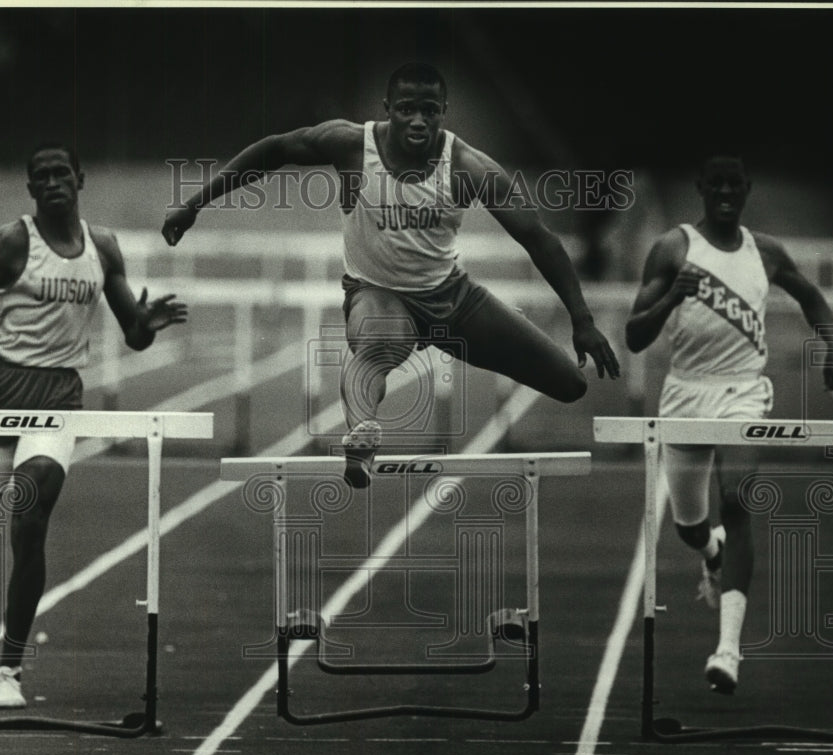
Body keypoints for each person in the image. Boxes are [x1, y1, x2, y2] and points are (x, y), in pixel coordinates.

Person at [162, 62, 620, 488]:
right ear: (387, 110)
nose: (417, 121)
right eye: (406, 110)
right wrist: (195, 203)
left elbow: (539, 239)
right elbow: (275, 150)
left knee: (570, 384)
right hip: (379, 294)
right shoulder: (349, 145)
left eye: (428, 111)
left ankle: (473, 334)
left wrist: (582, 320)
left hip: (450, 297)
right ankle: (361, 433)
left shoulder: (468, 168)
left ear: (443, 112)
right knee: (375, 345)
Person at [0, 143, 188, 708]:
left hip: (58, 400)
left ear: (80, 179)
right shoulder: (11, 243)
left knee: (30, 515)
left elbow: (133, 333)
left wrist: (147, 323)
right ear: (30, 189)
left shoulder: (102, 248)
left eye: (61, 173)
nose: (52, 182)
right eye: (41, 176)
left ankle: (8, 671)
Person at [625, 154, 833, 694]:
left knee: (740, 501)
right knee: (689, 527)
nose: (726, 193)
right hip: (685, 394)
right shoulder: (673, 248)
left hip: (745, 393)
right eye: (716, 185)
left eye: (735, 186)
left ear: (745, 190)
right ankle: (711, 554)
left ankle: (728, 649)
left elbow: (810, 295)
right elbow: (635, 335)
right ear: (702, 189)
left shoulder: (765, 252)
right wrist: (672, 298)